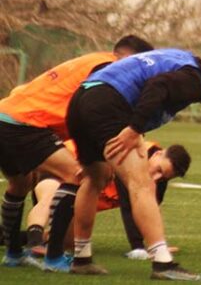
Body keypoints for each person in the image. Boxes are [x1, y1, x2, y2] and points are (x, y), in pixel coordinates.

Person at [47, 48, 201, 280]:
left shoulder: (180, 57)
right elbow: (157, 86)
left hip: (81, 100)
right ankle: (162, 263)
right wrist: (134, 128)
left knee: (95, 178)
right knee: (142, 183)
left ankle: (82, 257)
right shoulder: (194, 79)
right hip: (107, 104)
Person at [0, 35, 153, 268]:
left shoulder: (90, 60)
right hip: (27, 123)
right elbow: (95, 110)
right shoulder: (110, 68)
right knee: (77, 176)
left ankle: (12, 254)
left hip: (6, 114)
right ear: (130, 58)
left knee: (20, 184)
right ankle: (53, 257)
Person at [27, 141, 190, 261]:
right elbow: (129, 205)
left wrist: (157, 243)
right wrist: (138, 247)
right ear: (157, 154)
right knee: (49, 196)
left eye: (163, 178)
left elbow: (149, 212)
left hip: (78, 194)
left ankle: (16, 238)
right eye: (159, 170)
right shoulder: (134, 156)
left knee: (66, 242)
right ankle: (34, 242)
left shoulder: (156, 180)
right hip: (64, 165)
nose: (156, 178)